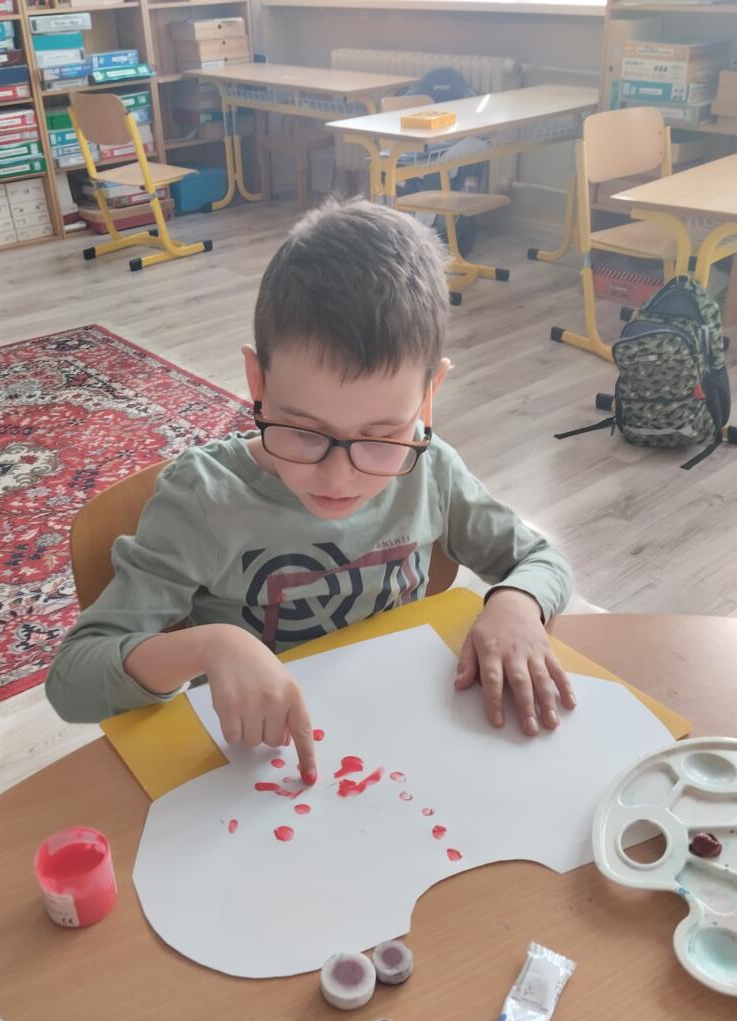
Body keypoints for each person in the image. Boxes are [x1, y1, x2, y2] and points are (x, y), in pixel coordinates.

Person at [46, 198, 575, 785]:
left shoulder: (433, 470)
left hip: (404, 742)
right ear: (257, 382)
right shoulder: (204, 499)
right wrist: (207, 647)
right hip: (259, 770)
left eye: (382, 437)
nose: (339, 477)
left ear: (429, 396)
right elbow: (74, 680)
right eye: (304, 433)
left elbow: (542, 559)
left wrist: (516, 603)